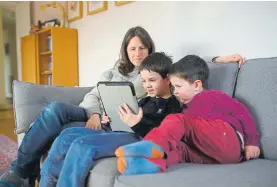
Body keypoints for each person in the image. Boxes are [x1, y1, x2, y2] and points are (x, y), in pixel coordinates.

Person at [0, 23, 246, 186]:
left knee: (80, 144)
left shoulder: (168, 87)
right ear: (126, 51)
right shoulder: (118, 73)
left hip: (133, 130)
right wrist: (100, 114)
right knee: (62, 129)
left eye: (142, 48)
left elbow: (188, 68)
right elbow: (96, 95)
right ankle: (28, 175)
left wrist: (219, 59)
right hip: (108, 118)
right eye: (133, 48)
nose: (137, 53)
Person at [39, 52, 182, 187]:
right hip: (121, 131)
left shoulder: (173, 105)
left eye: (152, 80)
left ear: (168, 79)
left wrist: (137, 123)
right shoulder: (145, 101)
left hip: (137, 138)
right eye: (144, 81)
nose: (147, 85)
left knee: (82, 145)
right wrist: (110, 120)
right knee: (66, 135)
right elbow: (127, 119)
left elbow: (161, 136)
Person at [115, 55, 260, 175]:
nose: (175, 91)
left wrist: (252, 142)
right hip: (214, 156)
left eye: (178, 86)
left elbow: (242, 114)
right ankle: (146, 164)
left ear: (197, 85)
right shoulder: (183, 109)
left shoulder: (213, 96)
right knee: (179, 149)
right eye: (173, 87)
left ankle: (152, 145)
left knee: (176, 120)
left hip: (228, 140)